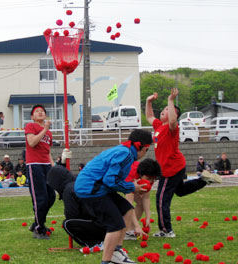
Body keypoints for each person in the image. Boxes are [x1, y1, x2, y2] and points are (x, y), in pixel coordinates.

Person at [145, 88, 222, 238]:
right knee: (179, 190)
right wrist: (148, 101)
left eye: (168, 110)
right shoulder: (159, 126)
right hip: (176, 166)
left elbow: (173, 120)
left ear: (174, 114)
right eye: (165, 108)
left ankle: (166, 230)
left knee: (161, 199)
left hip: (171, 169)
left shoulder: (172, 127)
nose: (164, 110)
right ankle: (203, 180)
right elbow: (149, 116)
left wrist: (171, 100)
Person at [74, 129, 152, 264]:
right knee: (115, 225)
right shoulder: (125, 154)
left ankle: (116, 252)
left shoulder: (124, 151)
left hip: (97, 186)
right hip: (91, 189)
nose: (146, 153)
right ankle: (106, 261)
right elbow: (110, 180)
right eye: (147, 149)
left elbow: (111, 180)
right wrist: (132, 187)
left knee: (127, 210)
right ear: (142, 147)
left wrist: (130, 186)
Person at [25, 104, 55, 240]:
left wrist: (54, 167)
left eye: (42, 111)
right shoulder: (31, 126)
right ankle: (39, 228)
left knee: (51, 197)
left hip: (46, 165)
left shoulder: (49, 132)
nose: (40, 113)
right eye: (37, 111)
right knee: (40, 198)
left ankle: (38, 223)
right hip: (35, 165)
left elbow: (48, 152)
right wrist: (44, 130)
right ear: (32, 116)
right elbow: (32, 142)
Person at [124, 159, 162, 240]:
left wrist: (148, 217)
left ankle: (129, 231)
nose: (151, 181)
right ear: (141, 174)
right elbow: (129, 205)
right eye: (149, 178)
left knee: (141, 203)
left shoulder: (150, 177)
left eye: (153, 179)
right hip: (114, 182)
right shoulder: (131, 174)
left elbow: (146, 198)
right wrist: (137, 226)